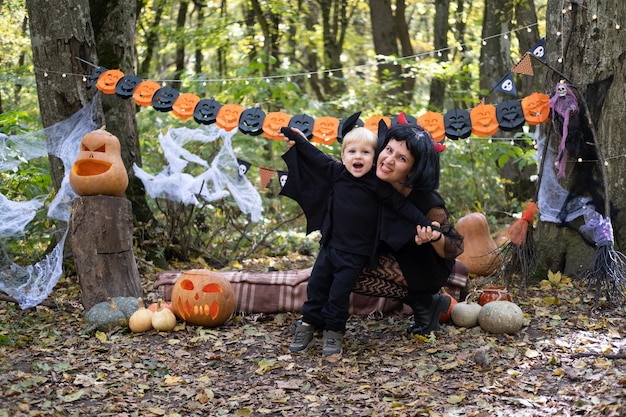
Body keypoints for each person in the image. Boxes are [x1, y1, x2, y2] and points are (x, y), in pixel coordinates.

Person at [279, 125, 438, 356]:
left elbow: (402, 206)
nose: (358, 156)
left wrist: (425, 222)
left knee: (339, 294)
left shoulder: (377, 185)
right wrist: (297, 139)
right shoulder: (336, 172)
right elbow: (315, 156)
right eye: (352, 151)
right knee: (316, 287)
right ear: (343, 157)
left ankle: (334, 331)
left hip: (355, 254)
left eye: (365, 152)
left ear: (374, 159)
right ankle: (307, 324)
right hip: (329, 247)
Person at [372, 123, 464, 335]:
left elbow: (453, 247)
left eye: (401, 158)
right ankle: (424, 304)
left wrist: (433, 236)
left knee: (353, 265)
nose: (388, 160)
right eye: (388, 150)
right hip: (393, 256)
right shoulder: (375, 181)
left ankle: (426, 301)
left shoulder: (427, 201)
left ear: (413, 170)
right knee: (346, 259)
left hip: (423, 269)